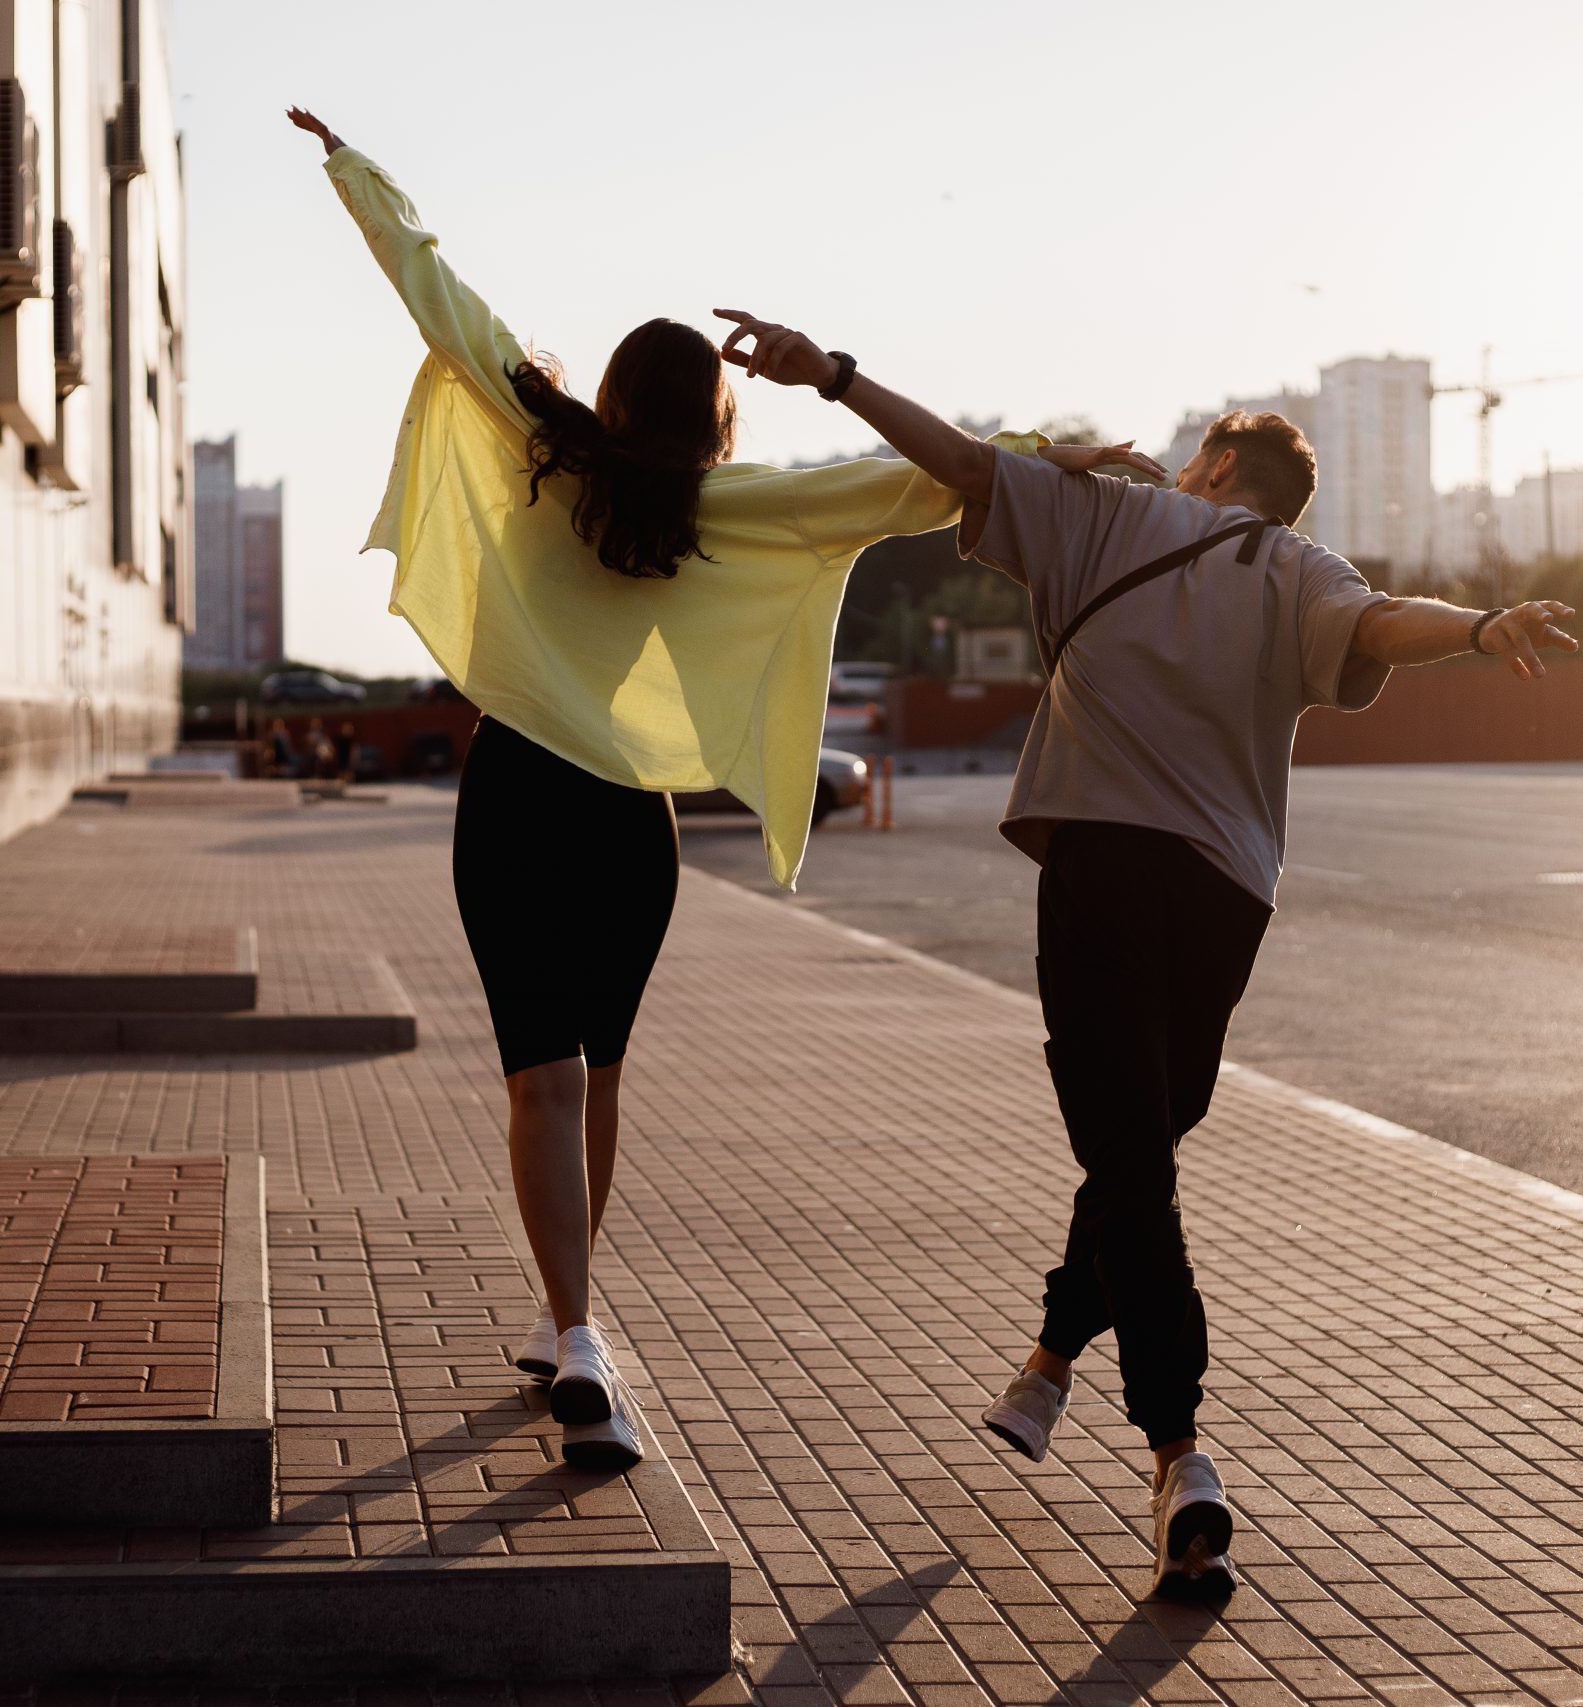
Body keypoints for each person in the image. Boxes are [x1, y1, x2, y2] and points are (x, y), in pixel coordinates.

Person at [717, 309, 1579, 1602]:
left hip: (1110, 868)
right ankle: (1051, 1369)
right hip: (1230, 895)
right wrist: (1484, 623)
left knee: (1128, 1156)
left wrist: (831, 373)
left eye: (1197, 451)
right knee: (1141, 1144)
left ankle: (1180, 1454)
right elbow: (1388, 619)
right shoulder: (1303, 570)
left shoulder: (1112, 513)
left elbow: (953, 459)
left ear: (1221, 467)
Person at [289, 110, 1036, 1472]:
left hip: (516, 794)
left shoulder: (539, 437)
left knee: (541, 1085)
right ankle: (570, 1326)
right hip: (629, 820)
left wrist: (359, 170)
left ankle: (572, 1327)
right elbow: (913, 484)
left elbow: (436, 295)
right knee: (604, 1075)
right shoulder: (724, 510)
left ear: (614, 398)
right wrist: (1049, 459)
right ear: (712, 418)